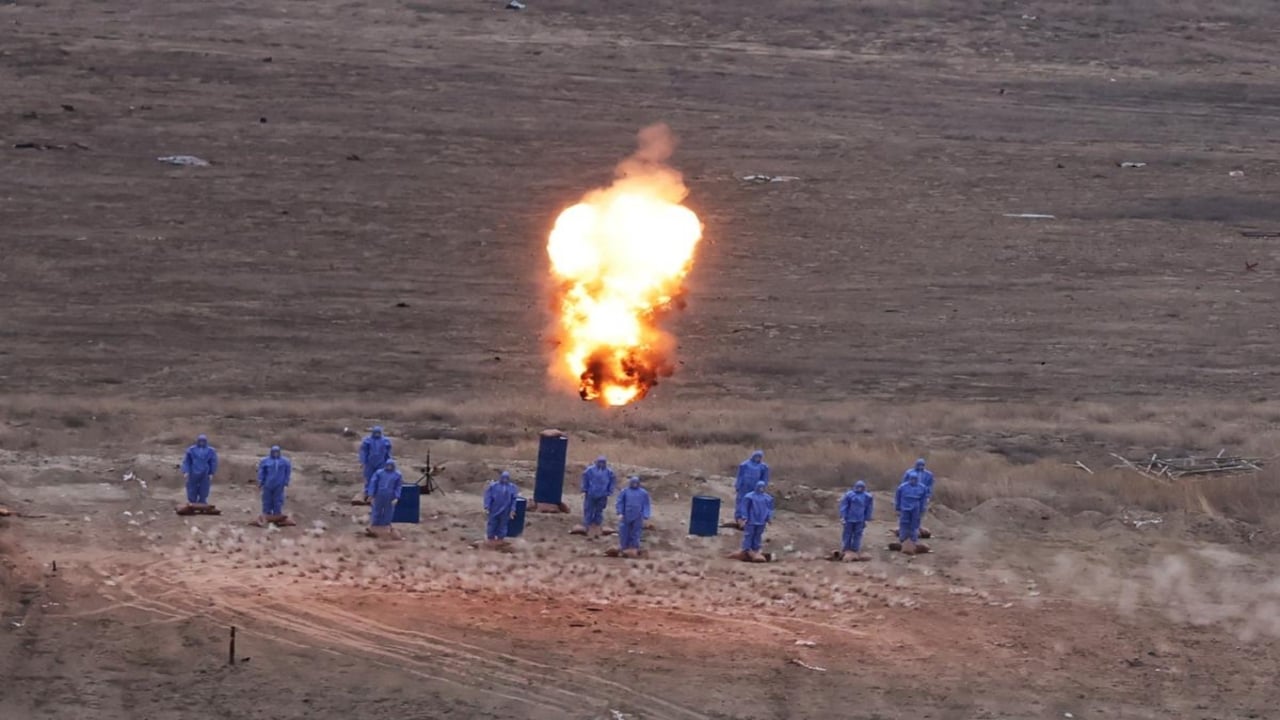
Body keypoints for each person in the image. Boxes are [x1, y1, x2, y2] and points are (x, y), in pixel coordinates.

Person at [894, 470, 931, 552]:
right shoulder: (902, 487)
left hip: (915, 508)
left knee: (914, 524)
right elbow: (898, 498)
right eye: (912, 479)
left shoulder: (922, 487)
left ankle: (914, 539)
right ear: (909, 479)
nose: (913, 481)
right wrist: (897, 507)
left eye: (915, 479)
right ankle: (903, 539)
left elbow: (923, 500)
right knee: (904, 523)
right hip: (904, 507)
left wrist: (922, 509)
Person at [579, 456, 616, 537]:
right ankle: (587, 523)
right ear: (596, 462)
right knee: (588, 508)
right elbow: (585, 478)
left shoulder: (609, 472)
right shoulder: (590, 470)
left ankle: (597, 523)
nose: (601, 464)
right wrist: (584, 488)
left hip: (603, 494)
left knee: (599, 509)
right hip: (591, 493)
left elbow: (612, 482)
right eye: (600, 462)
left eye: (603, 462)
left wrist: (610, 491)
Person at [615, 476, 652, 558]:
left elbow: (646, 504)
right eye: (633, 483)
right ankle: (624, 548)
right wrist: (620, 513)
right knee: (624, 532)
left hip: (638, 516)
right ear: (630, 483)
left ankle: (634, 548)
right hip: (626, 515)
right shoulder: (625, 491)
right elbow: (620, 502)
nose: (634, 484)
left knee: (636, 533)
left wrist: (646, 515)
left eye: (636, 483)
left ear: (638, 483)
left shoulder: (643, 493)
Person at [256, 445, 292, 524]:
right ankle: (266, 515)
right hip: (268, 484)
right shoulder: (265, 461)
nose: (275, 454)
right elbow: (261, 472)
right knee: (267, 500)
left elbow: (288, 471)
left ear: (279, 452)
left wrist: (286, 481)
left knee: (278, 500)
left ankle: (277, 516)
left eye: (277, 452)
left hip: (279, 484)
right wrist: (260, 481)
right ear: (271, 452)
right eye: (274, 452)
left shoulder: (285, 461)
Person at [838, 480, 874, 561]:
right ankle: (846, 549)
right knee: (847, 534)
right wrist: (843, 517)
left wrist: (867, 518)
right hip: (849, 519)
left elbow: (869, 508)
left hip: (860, 519)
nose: (859, 489)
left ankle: (855, 549)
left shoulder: (867, 496)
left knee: (858, 534)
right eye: (858, 487)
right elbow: (844, 506)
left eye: (861, 487)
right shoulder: (849, 495)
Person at [368, 460, 403, 538]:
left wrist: (397, 497)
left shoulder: (397, 474)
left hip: (390, 496)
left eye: (391, 465)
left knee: (388, 511)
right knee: (376, 510)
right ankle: (375, 526)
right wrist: (371, 494)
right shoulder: (379, 473)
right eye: (388, 465)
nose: (389, 467)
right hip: (379, 494)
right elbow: (373, 483)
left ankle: (386, 526)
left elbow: (398, 486)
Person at [734, 450, 770, 528]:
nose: (758, 458)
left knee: (754, 503)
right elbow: (740, 476)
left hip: (755, 489)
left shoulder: (763, 467)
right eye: (756, 456)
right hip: (744, 488)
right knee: (741, 502)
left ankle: (752, 520)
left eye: (759, 457)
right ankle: (740, 520)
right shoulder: (744, 465)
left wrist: (763, 487)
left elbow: (765, 478)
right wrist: (738, 485)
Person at [483, 471, 519, 548]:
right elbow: (488, 497)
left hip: (506, 510)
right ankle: (490, 539)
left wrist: (513, 510)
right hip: (494, 509)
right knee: (492, 524)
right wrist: (487, 507)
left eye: (507, 478)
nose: (505, 480)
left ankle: (500, 539)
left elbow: (514, 500)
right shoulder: (494, 486)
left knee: (503, 525)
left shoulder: (512, 487)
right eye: (503, 478)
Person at [740, 480, 774, 562]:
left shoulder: (767, 498)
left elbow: (769, 509)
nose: (761, 489)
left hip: (761, 520)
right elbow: (744, 507)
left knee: (758, 535)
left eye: (763, 487)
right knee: (749, 534)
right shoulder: (749, 496)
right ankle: (747, 548)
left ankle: (756, 549)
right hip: (752, 519)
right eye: (760, 487)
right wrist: (744, 518)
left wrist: (769, 517)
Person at [181, 434, 219, 506]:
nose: (202, 443)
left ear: (206, 441)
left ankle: (202, 501)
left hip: (205, 472)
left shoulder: (210, 450)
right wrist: (186, 471)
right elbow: (187, 461)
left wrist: (211, 473)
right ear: (197, 441)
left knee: (204, 487)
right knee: (191, 486)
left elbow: (213, 462)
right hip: (193, 471)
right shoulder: (191, 449)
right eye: (200, 441)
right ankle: (192, 501)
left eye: (203, 441)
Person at [359, 426, 393, 498]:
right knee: (369, 478)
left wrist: (389, 461)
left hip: (381, 462)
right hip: (370, 462)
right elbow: (364, 451)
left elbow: (388, 453)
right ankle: (368, 493)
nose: (377, 434)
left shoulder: (385, 441)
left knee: (381, 477)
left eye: (378, 433)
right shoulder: (368, 440)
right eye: (376, 433)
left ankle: (379, 493)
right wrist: (362, 461)